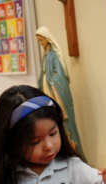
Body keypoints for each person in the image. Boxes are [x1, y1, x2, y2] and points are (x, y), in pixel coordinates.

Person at [36, 26, 87, 162]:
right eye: (39, 41)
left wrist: (52, 84)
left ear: (47, 39)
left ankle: (75, 155)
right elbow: (42, 74)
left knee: (65, 125)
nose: (41, 43)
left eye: (42, 40)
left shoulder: (54, 54)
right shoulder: (46, 54)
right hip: (47, 90)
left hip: (54, 91)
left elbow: (60, 75)